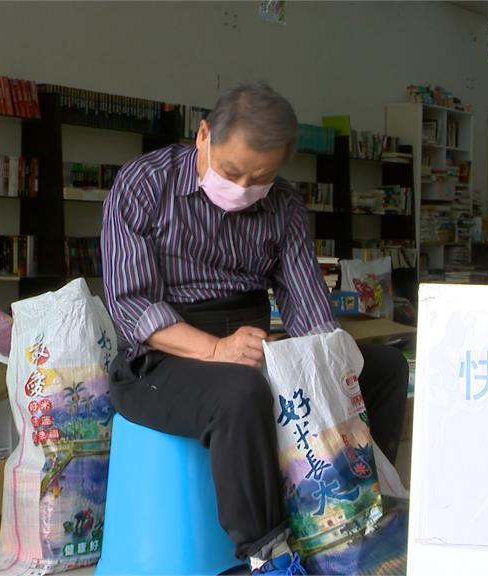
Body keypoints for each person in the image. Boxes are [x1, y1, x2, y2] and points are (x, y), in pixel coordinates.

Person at [101, 82, 408, 575]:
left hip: (249, 345)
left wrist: (326, 362)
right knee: (240, 393)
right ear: (203, 135)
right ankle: (269, 553)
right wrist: (216, 348)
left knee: (384, 367)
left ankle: (362, 510)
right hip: (156, 358)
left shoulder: (283, 204)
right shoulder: (145, 184)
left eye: (259, 178)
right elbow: (132, 305)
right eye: (230, 171)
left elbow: (307, 304)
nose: (242, 190)